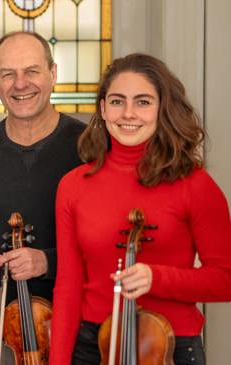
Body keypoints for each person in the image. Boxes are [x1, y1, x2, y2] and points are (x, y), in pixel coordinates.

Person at [50, 53, 231, 365]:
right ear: (103, 108)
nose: (128, 113)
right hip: (92, 347)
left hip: (170, 346)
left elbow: (225, 279)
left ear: (162, 109)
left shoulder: (195, 184)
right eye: (118, 101)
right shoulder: (73, 185)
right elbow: (68, 286)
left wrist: (156, 278)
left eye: (143, 102)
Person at [0, 31, 85, 365]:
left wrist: (48, 260)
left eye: (32, 71)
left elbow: (107, 246)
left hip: (76, 335)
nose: (20, 84)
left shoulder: (89, 148)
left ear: (53, 73)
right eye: (8, 74)